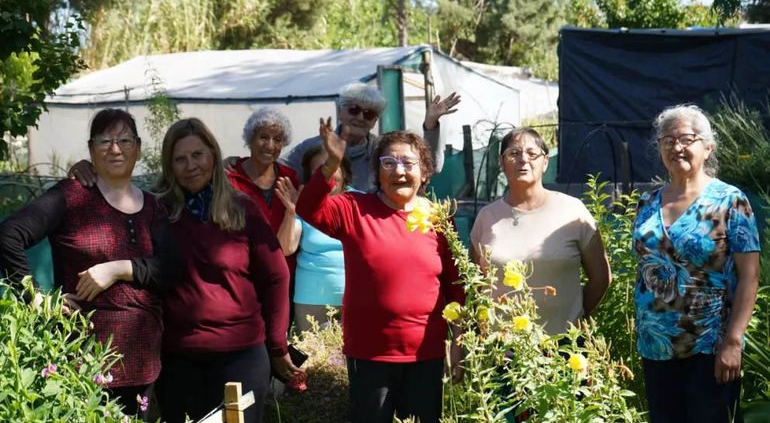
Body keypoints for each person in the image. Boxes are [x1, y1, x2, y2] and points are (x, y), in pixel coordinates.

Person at [0, 108, 180, 419]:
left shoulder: (153, 207)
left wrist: (119, 268)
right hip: (84, 366)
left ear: (137, 148)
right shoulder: (72, 197)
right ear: (91, 148)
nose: (115, 148)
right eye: (105, 141)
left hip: (145, 363)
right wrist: (37, 299)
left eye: (124, 140)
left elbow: (170, 271)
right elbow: (8, 235)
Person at [296, 119, 465, 423]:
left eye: (408, 162)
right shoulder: (353, 208)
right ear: (377, 172)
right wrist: (330, 166)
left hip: (425, 353)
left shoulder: (439, 218)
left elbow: (455, 286)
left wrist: (460, 341)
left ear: (424, 171)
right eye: (389, 162)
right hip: (370, 353)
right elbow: (308, 209)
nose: (399, 171)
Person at [152, 118, 300, 423]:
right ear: (169, 165)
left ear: (212, 155)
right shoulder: (155, 211)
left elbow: (276, 275)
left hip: (241, 355)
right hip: (179, 358)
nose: (190, 165)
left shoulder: (242, 208)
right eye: (179, 159)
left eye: (197, 155)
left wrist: (277, 343)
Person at [633, 104, 760, 423]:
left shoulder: (731, 201)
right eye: (667, 140)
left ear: (708, 146)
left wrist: (733, 341)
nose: (676, 146)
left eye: (686, 138)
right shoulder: (648, 202)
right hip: (656, 346)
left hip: (710, 346)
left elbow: (750, 276)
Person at [470, 127, 611, 335]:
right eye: (514, 153)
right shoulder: (487, 217)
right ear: (501, 162)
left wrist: (575, 318)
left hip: (562, 349)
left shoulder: (573, 211)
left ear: (545, 162)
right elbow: (474, 284)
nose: (523, 159)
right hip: (503, 351)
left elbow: (601, 277)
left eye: (532, 153)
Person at [282, 82, 461, 191]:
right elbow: (278, 171)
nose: (360, 117)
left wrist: (430, 124)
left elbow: (431, 166)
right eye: (354, 110)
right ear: (340, 111)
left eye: (368, 114)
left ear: (375, 121)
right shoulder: (313, 148)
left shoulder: (381, 148)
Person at [288, 146, 354, 332]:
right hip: (311, 301)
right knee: (315, 360)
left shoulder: (361, 202)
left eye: (333, 166)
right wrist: (291, 211)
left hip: (355, 300)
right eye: (321, 170)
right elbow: (287, 247)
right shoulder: (303, 205)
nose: (329, 174)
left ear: (345, 171)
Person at [226, 107, 300, 253]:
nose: (270, 146)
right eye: (264, 137)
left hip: (284, 269)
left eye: (277, 139)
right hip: (246, 268)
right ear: (250, 139)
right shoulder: (231, 178)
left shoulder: (289, 178)